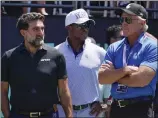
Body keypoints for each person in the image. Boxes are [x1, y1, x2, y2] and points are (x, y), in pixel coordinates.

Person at [1, 12, 73, 118]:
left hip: (49, 115)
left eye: (42, 28)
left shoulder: (56, 56)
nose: (41, 33)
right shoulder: (9, 57)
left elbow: (64, 91)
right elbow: (3, 92)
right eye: (35, 29)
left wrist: (69, 116)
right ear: (23, 33)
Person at [99, 3, 158, 118]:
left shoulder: (152, 46)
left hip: (141, 109)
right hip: (117, 109)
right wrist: (124, 70)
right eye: (122, 19)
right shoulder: (114, 47)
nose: (124, 23)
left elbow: (141, 80)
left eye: (129, 19)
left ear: (142, 23)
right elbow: (102, 78)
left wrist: (114, 76)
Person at [55, 8, 107, 117]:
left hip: (90, 112)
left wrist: (106, 103)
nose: (85, 29)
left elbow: (115, 79)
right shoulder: (56, 52)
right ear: (69, 27)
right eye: (81, 25)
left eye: (87, 25)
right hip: (62, 111)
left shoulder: (99, 52)